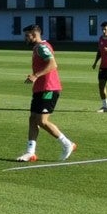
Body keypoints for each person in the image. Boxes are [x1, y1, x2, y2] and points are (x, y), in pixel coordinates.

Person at [17, 23, 76, 162]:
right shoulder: (39, 47)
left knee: (42, 121)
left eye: (27, 36)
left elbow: (53, 64)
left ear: (34, 34)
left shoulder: (41, 47)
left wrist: (36, 75)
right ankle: (30, 152)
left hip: (49, 88)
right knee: (33, 119)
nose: (25, 38)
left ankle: (67, 144)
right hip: (40, 88)